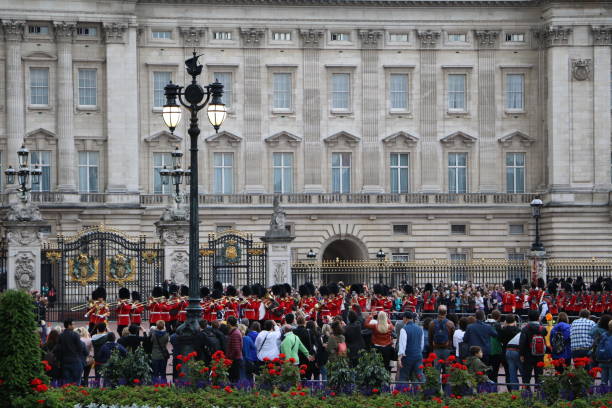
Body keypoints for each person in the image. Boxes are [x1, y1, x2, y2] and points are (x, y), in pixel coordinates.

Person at [55, 319, 88, 385]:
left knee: (66, 383)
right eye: (73, 324)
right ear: (69, 325)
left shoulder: (61, 336)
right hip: (75, 361)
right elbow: (80, 348)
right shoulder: (75, 335)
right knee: (76, 383)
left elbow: (58, 349)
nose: (74, 326)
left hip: (64, 362)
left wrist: (59, 360)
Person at [519, 310, 547, 384]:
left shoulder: (525, 329)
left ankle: (526, 392)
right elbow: (546, 333)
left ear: (528, 318)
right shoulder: (542, 329)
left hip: (528, 355)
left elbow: (522, 342)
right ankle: (538, 391)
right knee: (539, 375)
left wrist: (521, 354)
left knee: (527, 376)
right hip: (540, 355)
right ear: (538, 318)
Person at [397, 311, 424, 383]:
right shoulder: (420, 329)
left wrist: (399, 358)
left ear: (405, 318)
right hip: (418, 355)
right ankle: (427, 392)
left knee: (403, 376)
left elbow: (402, 345)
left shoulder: (404, 329)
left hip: (407, 356)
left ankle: (402, 393)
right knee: (419, 376)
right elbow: (421, 345)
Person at [501, 315, 522, 391]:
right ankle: (526, 388)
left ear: (506, 322)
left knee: (509, 373)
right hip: (517, 351)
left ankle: (512, 390)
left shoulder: (503, 330)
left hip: (506, 352)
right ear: (514, 321)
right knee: (522, 371)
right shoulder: (518, 330)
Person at [226, 316, 243, 383]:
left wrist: (230, 358)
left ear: (229, 324)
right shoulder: (234, 332)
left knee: (234, 379)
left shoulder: (235, 333)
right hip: (235, 359)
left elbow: (236, 349)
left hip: (234, 360)